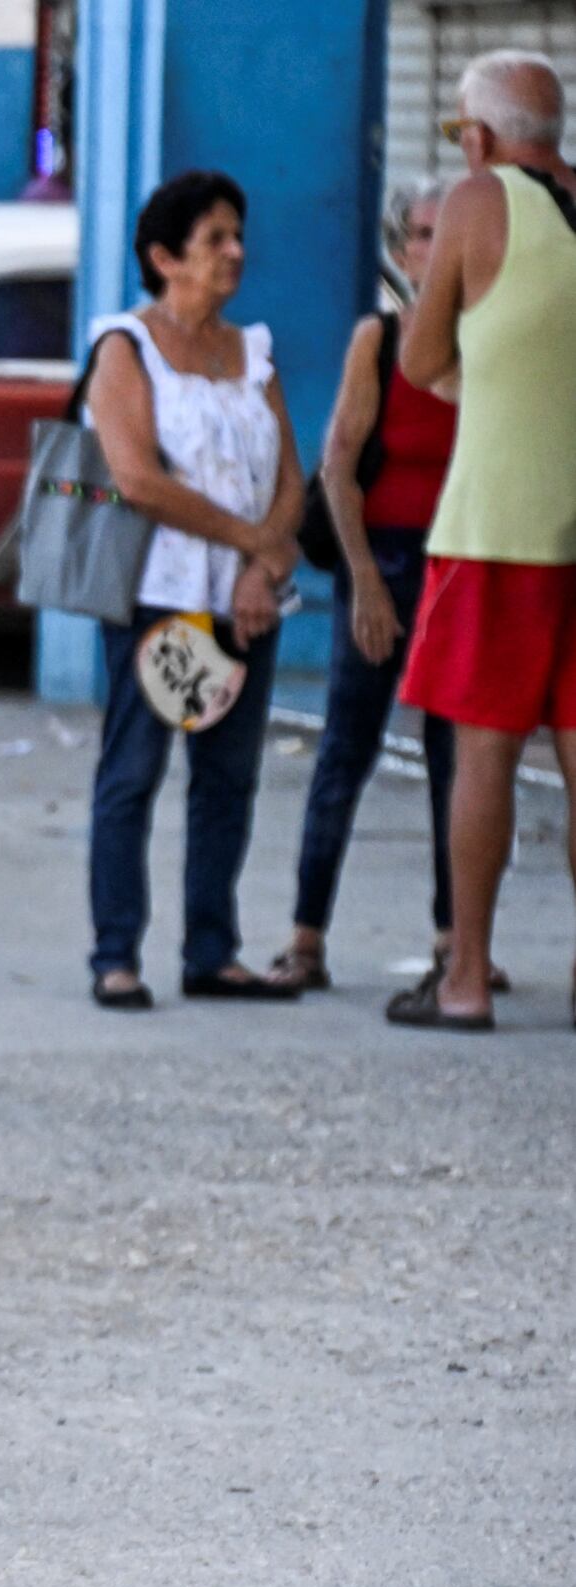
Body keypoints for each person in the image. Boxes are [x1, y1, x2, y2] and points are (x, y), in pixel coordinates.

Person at [74, 171, 302, 1012]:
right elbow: (138, 480)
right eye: (215, 239)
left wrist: (261, 569)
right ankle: (115, 953)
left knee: (228, 776)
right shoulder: (124, 348)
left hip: (246, 599)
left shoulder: (254, 353)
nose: (235, 252)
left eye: (237, 235)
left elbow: (290, 477)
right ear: (164, 257)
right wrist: (253, 543)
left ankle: (213, 948)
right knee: (134, 770)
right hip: (160, 596)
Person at [388, 52, 576, 1032]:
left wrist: (482, 375)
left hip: (497, 526)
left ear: (479, 135)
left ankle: (464, 976)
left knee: (483, 758)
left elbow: (419, 357)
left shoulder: (475, 200)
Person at [276, 186, 458, 993]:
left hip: (461, 564)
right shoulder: (378, 340)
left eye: (449, 233)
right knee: (347, 747)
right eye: (423, 234)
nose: (436, 248)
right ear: (400, 249)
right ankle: (306, 935)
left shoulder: (486, 342)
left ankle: (457, 937)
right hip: (381, 558)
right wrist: (365, 585)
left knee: (457, 759)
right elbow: (339, 467)